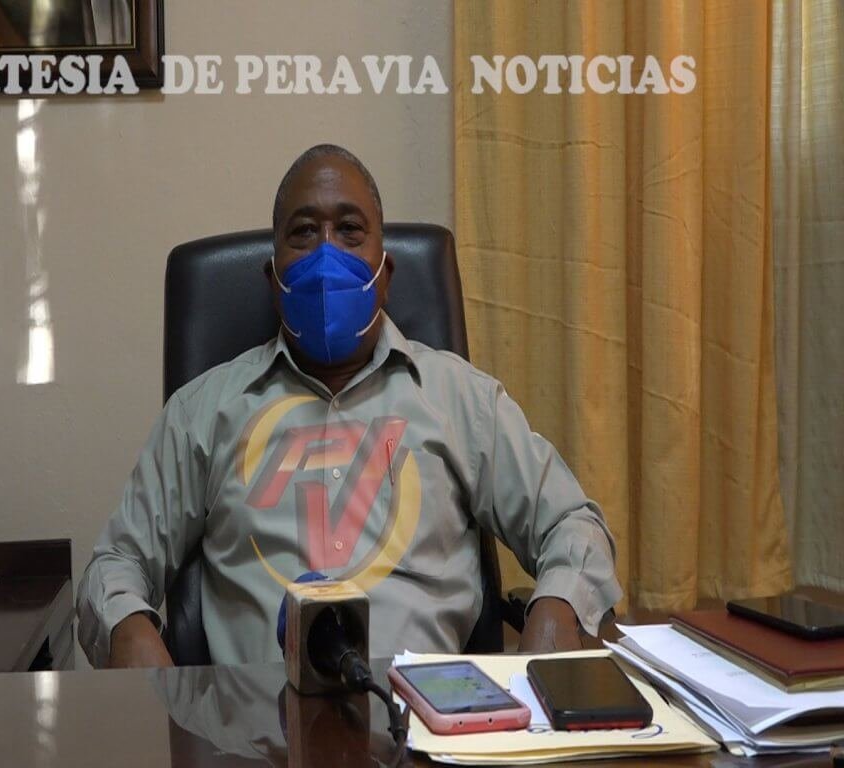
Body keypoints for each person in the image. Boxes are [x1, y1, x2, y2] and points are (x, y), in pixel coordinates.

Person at [77, 144, 623, 668]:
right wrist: (133, 639)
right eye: (303, 232)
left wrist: (557, 609)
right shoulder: (202, 413)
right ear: (273, 278)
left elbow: (572, 523)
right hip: (255, 719)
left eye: (350, 230)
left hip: (428, 713)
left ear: (385, 273)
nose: (326, 255)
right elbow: (115, 565)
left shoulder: (461, 400)